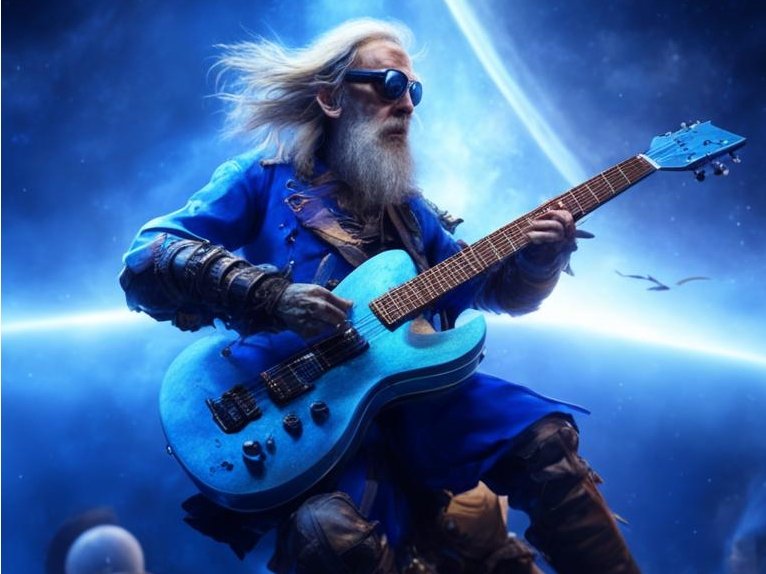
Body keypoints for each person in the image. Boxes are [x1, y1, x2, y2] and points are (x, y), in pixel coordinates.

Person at [120, 18, 639, 574]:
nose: (407, 104)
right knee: (330, 538)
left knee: (546, 446)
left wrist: (540, 258)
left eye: (414, 91)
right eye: (391, 84)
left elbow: (492, 290)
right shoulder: (262, 178)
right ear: (331, 98)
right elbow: (150, 253)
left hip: (417, 403)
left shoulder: (411, 214)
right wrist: (272, 295)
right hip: (302, 409)